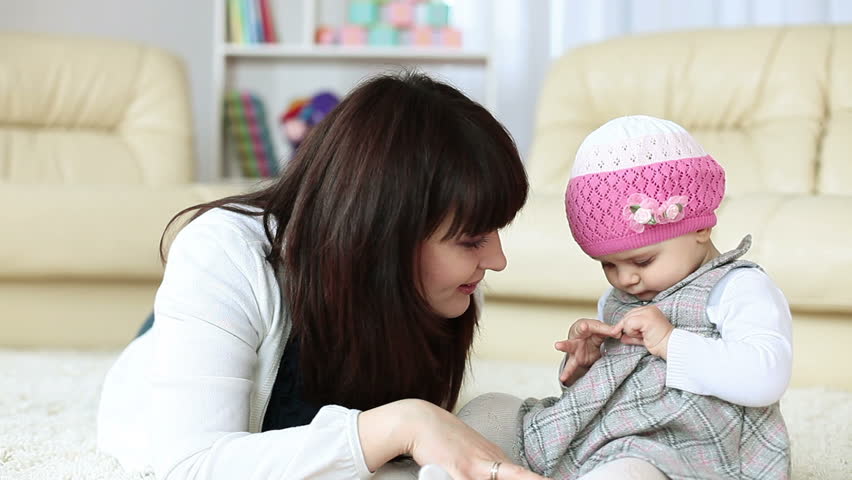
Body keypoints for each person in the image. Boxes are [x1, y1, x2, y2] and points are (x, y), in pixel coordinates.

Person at [96, 72, 546, 480]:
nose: (498, 260)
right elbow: (191, 466)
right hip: (226, 308)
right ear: (384, 233)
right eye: (471, 240)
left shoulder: (447, 290)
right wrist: (406, 422)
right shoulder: (224, 253)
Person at [520, 115, 793, 479]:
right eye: (608, 265)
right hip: (613, 433)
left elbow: (767, 378)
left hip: (688, 448)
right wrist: (586, 367)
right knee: (492, 415)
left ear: (701, 227)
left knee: (626, 469)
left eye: (643, 261)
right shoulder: (620, 296)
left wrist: (670, 342)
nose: (626, 279)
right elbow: (619, 389)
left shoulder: (738, 287)